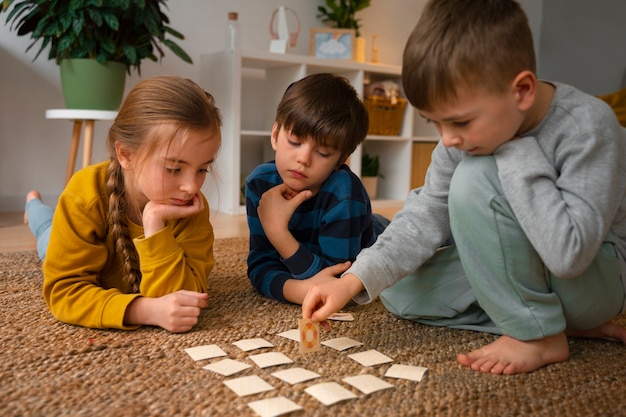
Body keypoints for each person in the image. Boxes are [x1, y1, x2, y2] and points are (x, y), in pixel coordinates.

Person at [302, 0, 626, 375]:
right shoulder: (463, 135)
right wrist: (352, 280)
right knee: (397, 291)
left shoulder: (588, 126)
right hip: (530, 270)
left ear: (521, 91)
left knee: (476, 176)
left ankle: (537, 336)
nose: (448, 139)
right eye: (434, 123)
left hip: (592, 279)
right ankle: (553, 322)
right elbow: (424, 216)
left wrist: (515, 149)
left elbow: (569, 257)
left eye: (459, 122)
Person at [24, 76, 222, 333]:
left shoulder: (190, 205)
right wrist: (147, 310)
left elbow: (184, 298)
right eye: (174, 169)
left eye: (203, 169)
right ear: (126, 155)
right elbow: (65, 293)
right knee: (46, 231)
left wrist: (155, 225)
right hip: (61, 235)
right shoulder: (84, 195)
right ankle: (32, 203)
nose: (192, 187)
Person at [245, 73, 388, 304]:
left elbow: (339, 283)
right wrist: (299, 291)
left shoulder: (344, 194)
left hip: (380, 234)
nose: (303, 159)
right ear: (274, 135)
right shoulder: (259, 183)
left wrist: (278, 233)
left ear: (342, 158)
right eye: (294, 141)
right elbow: (260, 265)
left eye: (322, 153)